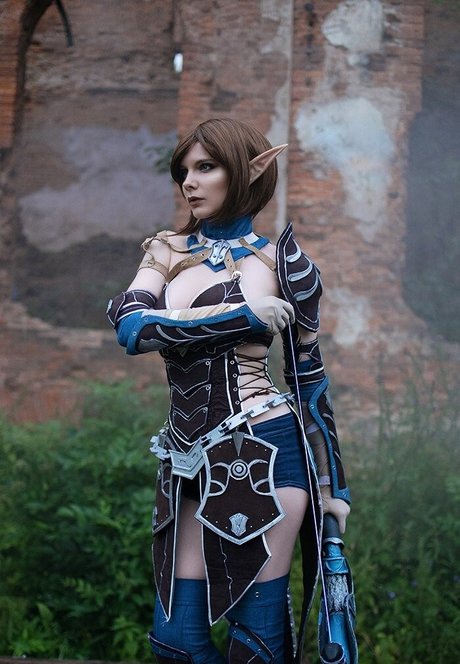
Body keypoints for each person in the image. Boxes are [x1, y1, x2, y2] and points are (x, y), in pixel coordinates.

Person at [107, 118, 351, 663]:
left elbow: (310, 381)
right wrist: (242, 315)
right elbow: (131, 328)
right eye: (184, 171)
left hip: (264, 452)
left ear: (247, 171)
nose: (189, 182)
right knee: (176, 642)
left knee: (255, 645)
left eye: (206, 167)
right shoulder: (167, 250)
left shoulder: (284, 264)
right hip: (184, 460)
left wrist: (334, 487)